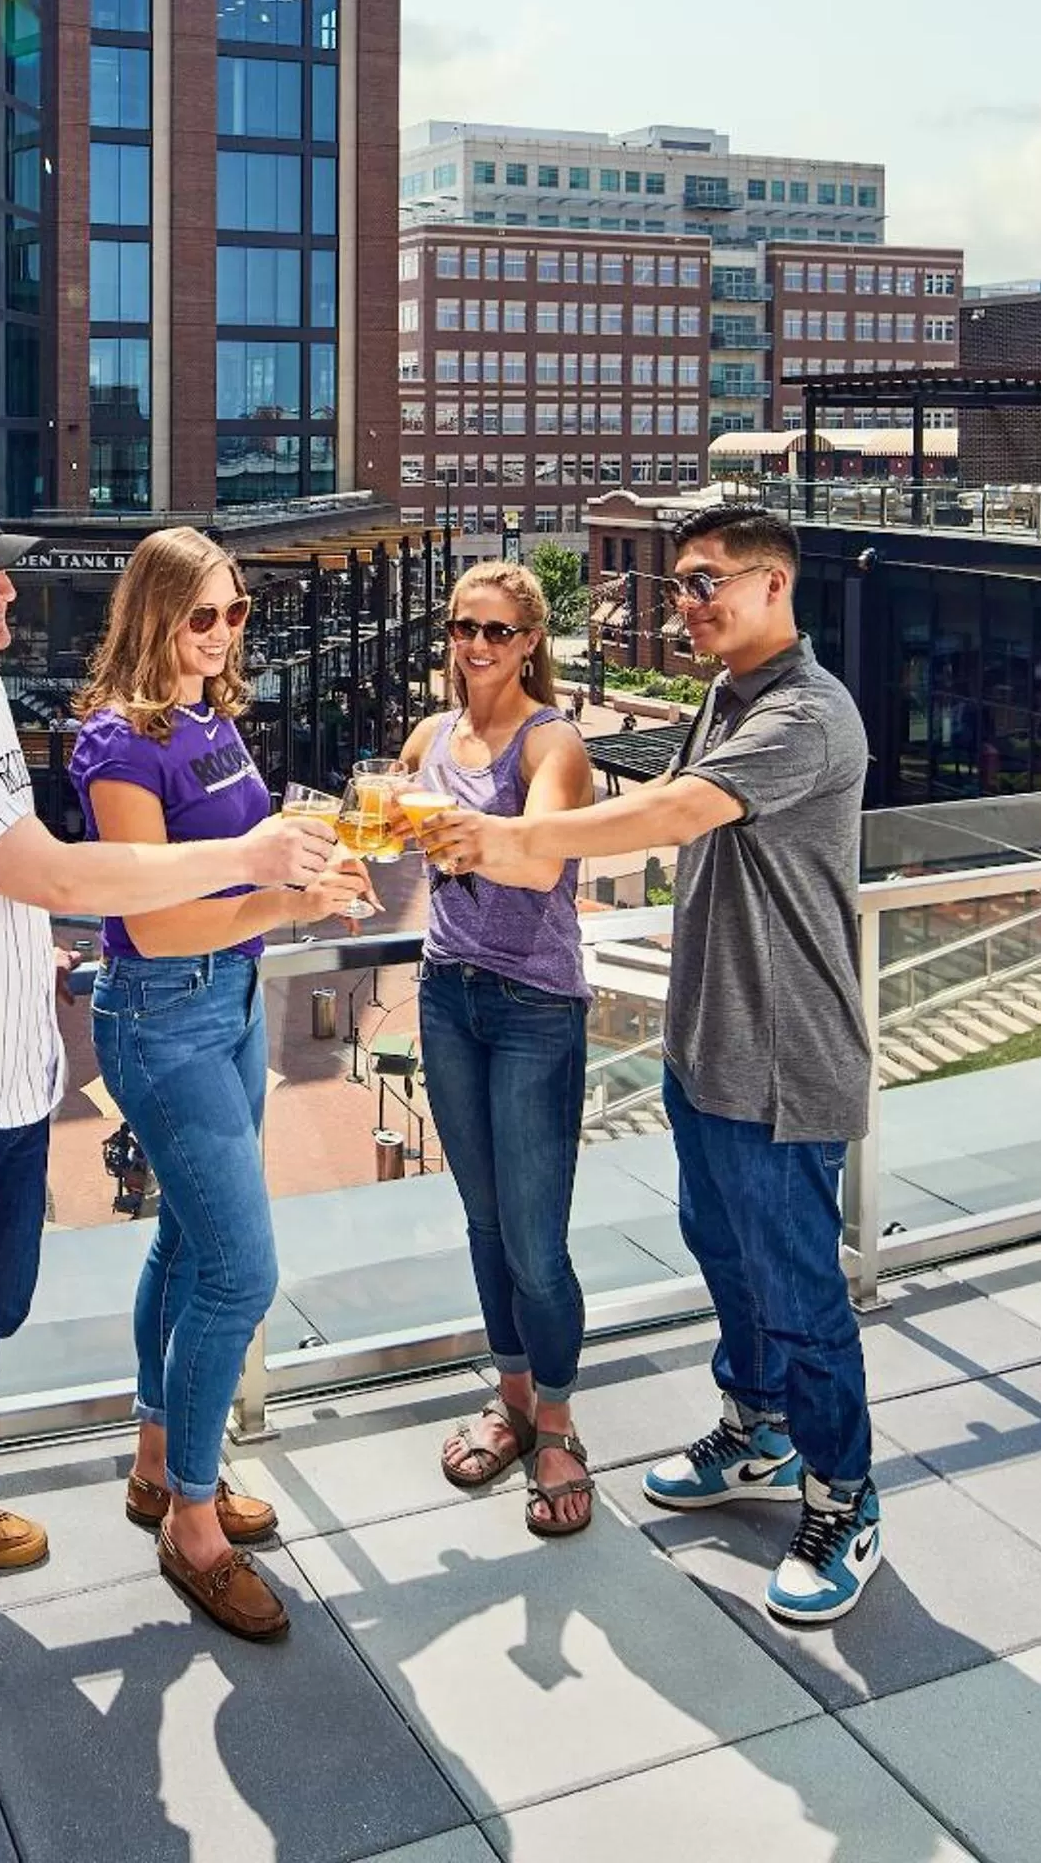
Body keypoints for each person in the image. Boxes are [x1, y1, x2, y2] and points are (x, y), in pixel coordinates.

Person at [0, 484, 338, 1729]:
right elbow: (47, 869)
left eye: (3, 572)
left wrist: (27, 953)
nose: (4, 590)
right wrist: (247, 861)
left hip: (2, 1071)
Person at [417, 504, 881, 1625]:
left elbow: (675, 812)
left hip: (784, 1052)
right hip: (711, 1040)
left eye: (709, 580)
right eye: (679, 584)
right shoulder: (727, 697)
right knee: (723, 1251)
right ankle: (758, 1429)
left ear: (777, 586)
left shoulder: (809, 715)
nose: (688, 603)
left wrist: (507, 839)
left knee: (799, 1283)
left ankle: (845, 1494)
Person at [72, 526, 369, 1642]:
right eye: (203, 616)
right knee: (242, 1273)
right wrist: (284, 901)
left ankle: (158, 1461)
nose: (223, 633)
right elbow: (148, 921)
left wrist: (305, 853)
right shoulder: (116, 744)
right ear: (153, 616)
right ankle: (192, 1526)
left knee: (190, 1248)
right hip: (164, 1013)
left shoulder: (211, 718)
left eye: (237, 613)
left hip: (234, 1004)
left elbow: (243, 856)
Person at [390, 560, 599, 1539]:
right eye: (462, 627)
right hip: (448, 995)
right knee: (482, 1223)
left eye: (496, 631)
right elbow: (397, 839)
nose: (475, 645)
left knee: (535, 1239)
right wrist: (380, 832)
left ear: (528, 643)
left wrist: (464, 832)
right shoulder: (432, 737)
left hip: (533, 1008)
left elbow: (545, 855)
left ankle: (557, 1421)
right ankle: (512, 1397)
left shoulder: (551, 742)